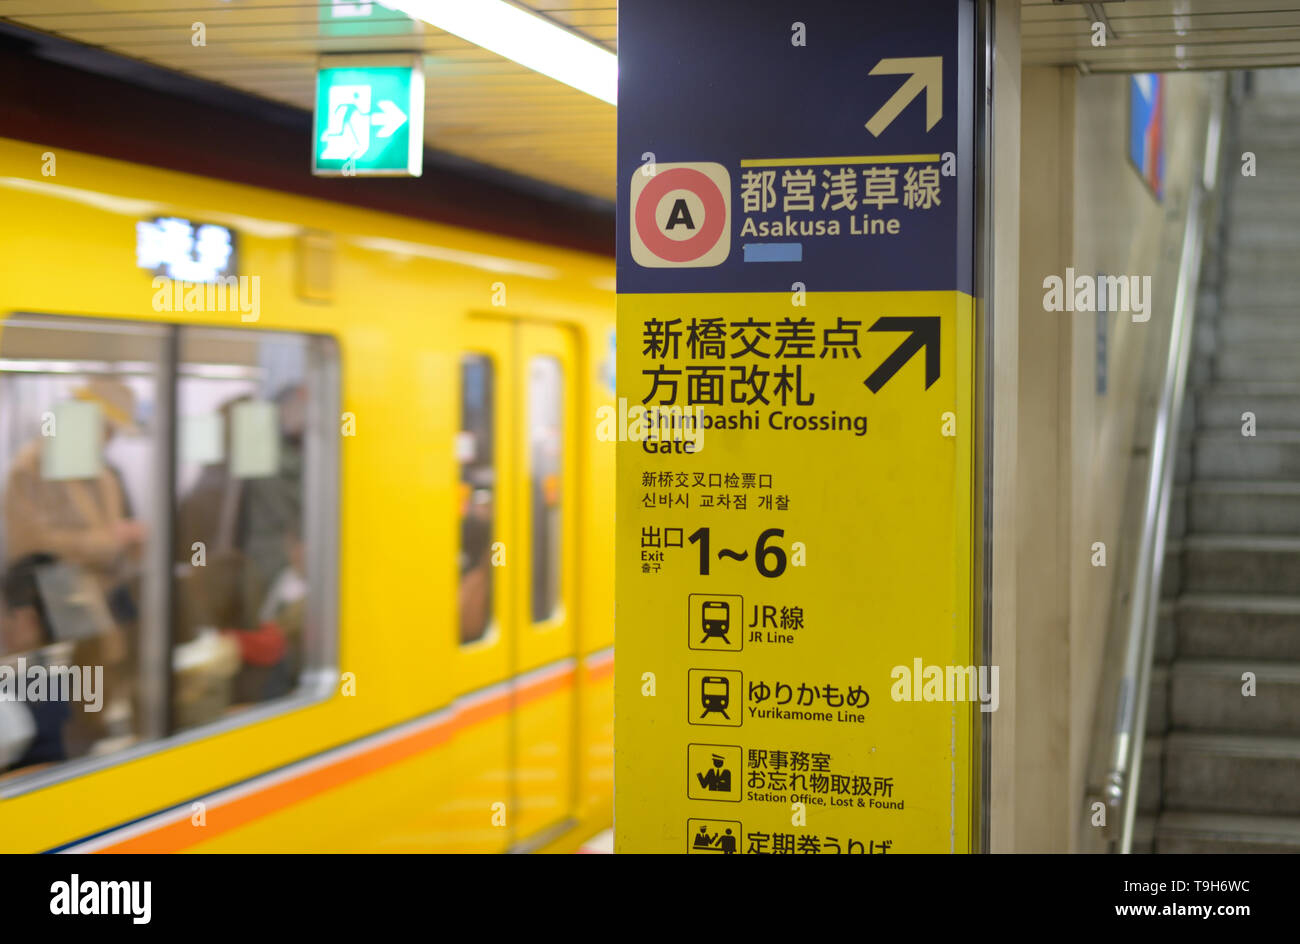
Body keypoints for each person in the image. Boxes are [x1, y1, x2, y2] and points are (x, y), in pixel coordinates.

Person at [3, 379, 144, 745]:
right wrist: (107, 542)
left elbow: (110, 535)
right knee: (59, 717)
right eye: (106, 430)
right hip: (54, 615)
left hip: (103, 608)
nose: (108, 440)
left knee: (95, 705)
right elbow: (28, 544)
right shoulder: (31, 468)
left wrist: (129, 544)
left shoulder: (103, 473)